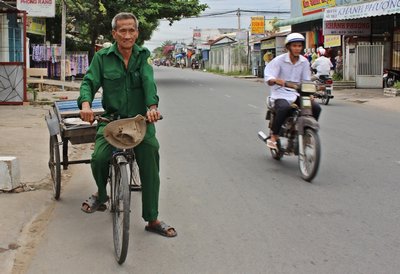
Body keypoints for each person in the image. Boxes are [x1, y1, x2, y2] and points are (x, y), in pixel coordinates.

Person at [78, 12, 177, 237]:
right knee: (99, 159)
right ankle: (102, 195)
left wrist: (152, 107)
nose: (127, 35)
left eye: (131, 30)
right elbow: (89, 81)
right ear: (114, 33)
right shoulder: (102, 57)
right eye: (122, 30)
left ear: (137, 33)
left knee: (151, 155)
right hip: (111, 121)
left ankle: (152, 218)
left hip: (139, 122)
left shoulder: (143, 55)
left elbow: (148, 81)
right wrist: (85, 104)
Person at [264, 33, 321, 150]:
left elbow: (306, 80)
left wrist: (309, 94)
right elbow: (268, 76)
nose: (297, 48)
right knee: (284, 108)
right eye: (294, 46)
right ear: (288, 47)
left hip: (296, 94)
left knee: (315, 107)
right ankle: (274, 136)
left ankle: (307, 131)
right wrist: (274, 80)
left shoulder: (304, 61)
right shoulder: (279, 61)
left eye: (299, 46)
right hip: (280, 93)